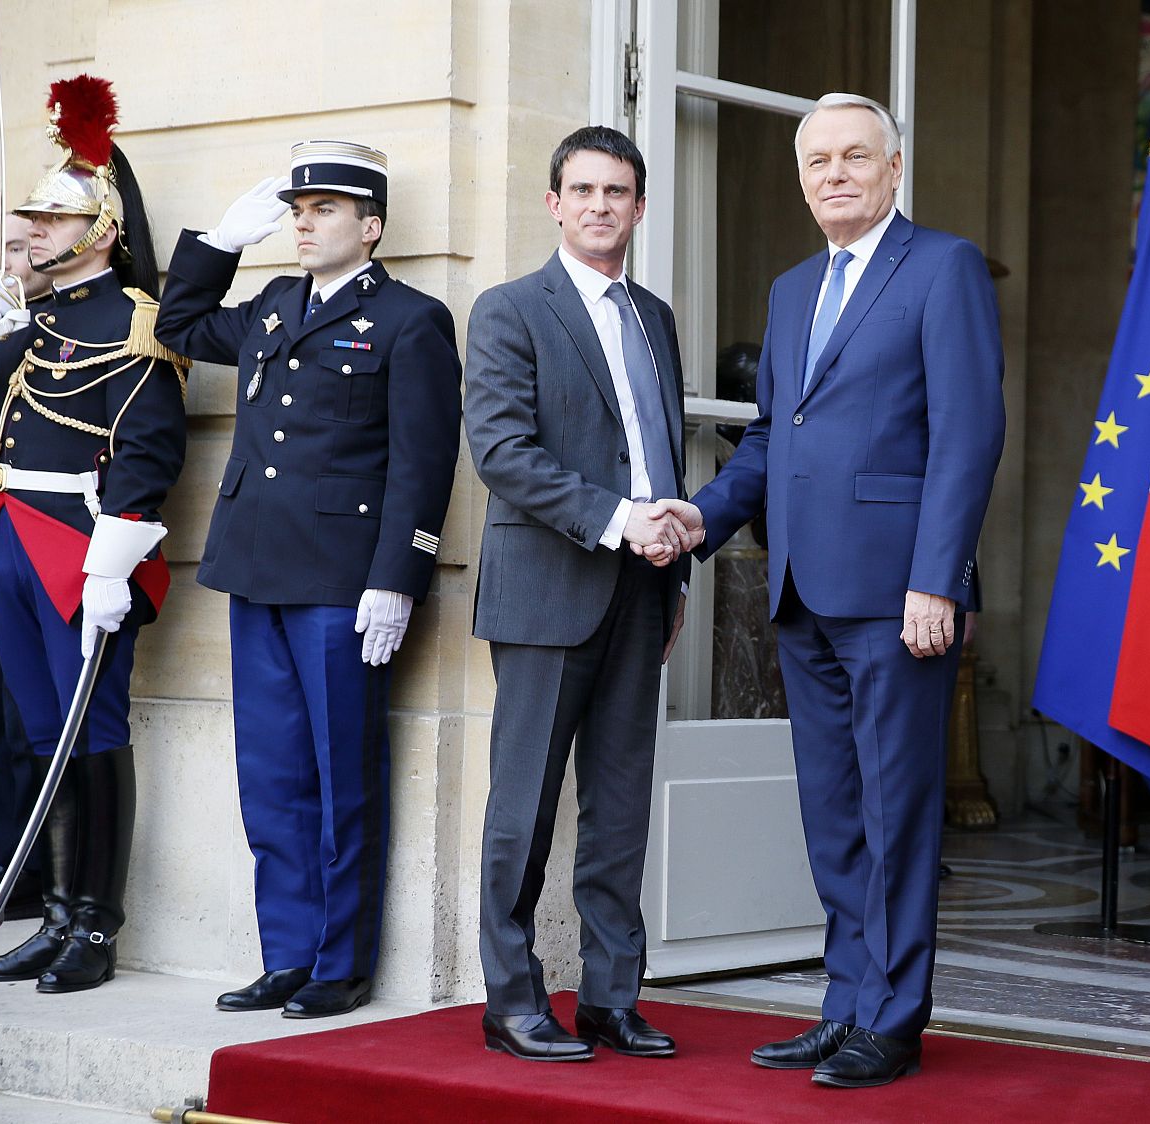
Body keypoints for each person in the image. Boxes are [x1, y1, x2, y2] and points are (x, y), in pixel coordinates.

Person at [659, 92, 1006, 1088]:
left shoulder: (940, 267)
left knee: (898, 809)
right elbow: (773, 435)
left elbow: (968, 432)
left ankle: (893, 1017)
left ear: (893, 168)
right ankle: (846, 1000)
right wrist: (703, 515)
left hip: (899, 594)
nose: (834, 174)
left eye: (855, 156)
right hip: (804, 587)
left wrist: (937, 578)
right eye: (817, 161)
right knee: (834, 811)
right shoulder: (790, 288)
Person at [153, 142, 463, 1018]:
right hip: (255, 566)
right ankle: (285, 952)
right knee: (272, 773)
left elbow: (423, 460)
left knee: (342, 773)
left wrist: (397, 577)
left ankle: (339, 962)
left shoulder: (410, 319)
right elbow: (177, 326)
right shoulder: (272, 304)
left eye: (323, 209)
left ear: (370, 226)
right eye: (297, 208)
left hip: (341, 581)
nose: (302, 221)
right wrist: (218, 242)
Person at [463, 125, 692, 1063]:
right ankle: (511, 1000)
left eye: (619, 192)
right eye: (584, 190)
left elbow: (660, 452)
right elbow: (502, 453)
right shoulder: (510, 310)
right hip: (549, 589)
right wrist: (617, 519)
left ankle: (609, 996)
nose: (601, 206)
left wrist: (671, 569)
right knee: (524, 807)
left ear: (640, 207)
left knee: (621, 803)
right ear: (555, 203)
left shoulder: (658, 318)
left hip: (643, 593)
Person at [0, 75, 188, 993]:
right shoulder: (30, 321)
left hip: (79, 552)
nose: (34, 230)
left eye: (53, 219)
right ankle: (55, 914)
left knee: (90, 732)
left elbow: (147, 455)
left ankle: (95, 931)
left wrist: (116, 558)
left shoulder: (134, 324)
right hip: (7, 538)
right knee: (39, 732)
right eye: (31, 217)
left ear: (101, 231)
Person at [0, 212, 52, 916]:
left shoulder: (60, 327)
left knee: (17, 717)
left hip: (30, 543)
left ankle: (26, 871)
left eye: (16, 242)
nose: (9, 257)